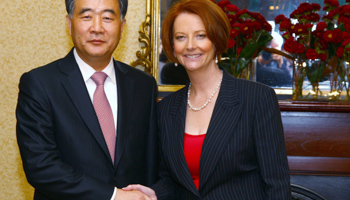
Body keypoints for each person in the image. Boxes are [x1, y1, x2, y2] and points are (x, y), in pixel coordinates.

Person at [124, 0, 291, 199]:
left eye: (200, 36)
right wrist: (151, 194)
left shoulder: (256, 99)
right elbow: (173, 182)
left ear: (217, 39)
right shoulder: (167, 109)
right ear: (172, 45)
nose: (190, 46)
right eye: (180, 37)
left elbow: (277, 185)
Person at [16, 0, 158, 199]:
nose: (97, 28)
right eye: (86, 16)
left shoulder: (144, 84)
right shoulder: (40, 84)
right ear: (69, 23)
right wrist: (114, 196)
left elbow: (151, 162)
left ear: (122, 26)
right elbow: (41, 166)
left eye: (108, 18)